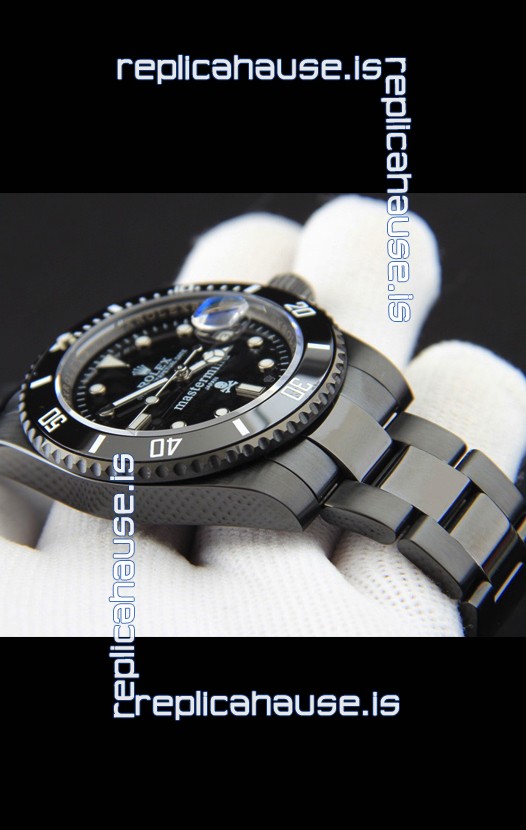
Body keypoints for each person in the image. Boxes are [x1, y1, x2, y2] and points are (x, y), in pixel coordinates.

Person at [0, 194, 524, 636]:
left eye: (182, 366)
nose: (178, 372)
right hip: (259, 455)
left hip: (324, 398)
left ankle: (497, 547)